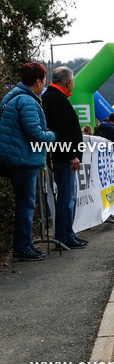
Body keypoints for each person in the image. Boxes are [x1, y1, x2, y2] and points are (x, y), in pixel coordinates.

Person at [0, 62, 55, 262]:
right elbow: (34, 133)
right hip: (23, 159)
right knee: (26, 204)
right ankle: (22, 247)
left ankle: (25, 245)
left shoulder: (12, 97)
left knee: (24, 203)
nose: (44, 84)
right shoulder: (28, 101)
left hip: (13, 157)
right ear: (38, 81)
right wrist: (51, 135)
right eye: (43, 80)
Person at [42, 66, 87, 249]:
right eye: (73, 82)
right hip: (63, 158)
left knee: (68, 197)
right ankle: (64, 236)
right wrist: (71, 156)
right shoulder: (57, 99)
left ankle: (67, 233)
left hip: (61, 156)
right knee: (67, 198)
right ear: (68, 81)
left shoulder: (53, 96)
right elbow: (62, 131)